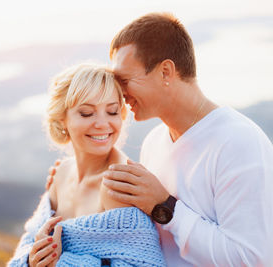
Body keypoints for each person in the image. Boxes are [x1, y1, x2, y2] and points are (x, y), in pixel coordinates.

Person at [48, 13, 273, 266]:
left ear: (165, 71)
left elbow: (253, 259)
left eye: (125, 80)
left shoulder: (239, 142)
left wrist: (164, 207)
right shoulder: (154, 143)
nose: (120, 93)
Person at [8, 63, 166, 266]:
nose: (102, 124)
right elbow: (30, 241)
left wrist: (62, 263)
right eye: (86, 113)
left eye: (112, 111)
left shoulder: (120, 184)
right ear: (62, 119)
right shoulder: (61, 173)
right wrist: (32, 260)